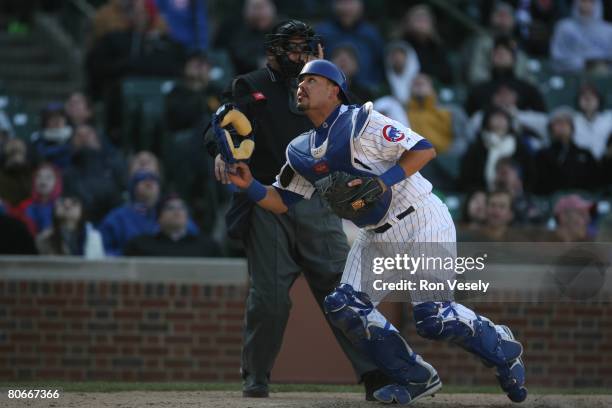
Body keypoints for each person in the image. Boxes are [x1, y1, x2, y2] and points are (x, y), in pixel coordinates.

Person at [221, 59, 527, 404]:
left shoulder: (362, 122)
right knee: (343, 305)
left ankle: (500, 345)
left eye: (311, 80)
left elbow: (424, 149)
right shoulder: (300, 149)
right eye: (299, 82)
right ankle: (413, 376)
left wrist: (382, 182)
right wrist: (249, 186)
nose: (300, 86)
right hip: (375, 236)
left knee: (433, 319)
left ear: (334, 89)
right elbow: (282, 200)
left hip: (421, 218)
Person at [210, 20, 386, 399]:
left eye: (305, 49)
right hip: (267, 200)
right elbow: (220, 125)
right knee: (270, 298)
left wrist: (326, 75)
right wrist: (220, 153)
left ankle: (375, 374)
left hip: (318, 200)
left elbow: (353, 124)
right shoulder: (250, 85)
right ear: (272, 51)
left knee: (342, 291)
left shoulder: (325, 86)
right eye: (290, 48)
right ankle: (256, 374)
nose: (298, 56)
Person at [124, 194, 220, 257]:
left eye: (182, 208)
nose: (177, 211)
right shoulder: (140, 245)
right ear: (159, 218)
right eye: (170, 208)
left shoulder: (207, 246)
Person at [316, 0, 385, 87]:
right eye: (342, 2)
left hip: (367, 92)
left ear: (361, 5)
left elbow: (381, 67)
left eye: (350, 2)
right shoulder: (322, 32)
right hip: (328, 90)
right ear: (333, 4)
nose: (347, 8)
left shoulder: (371, 34)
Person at [550, 0, 612, 74]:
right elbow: (557, 56)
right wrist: (585, 64)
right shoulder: (564, 27)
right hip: (570, 74)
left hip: (601, 76)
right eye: (583, 1)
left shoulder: (608, 31)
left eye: (590, 2)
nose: (586, 5)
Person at [35, 195, 105, 258]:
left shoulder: (92, 237)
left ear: (82, 210)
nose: (67, 206)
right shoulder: (45, 238)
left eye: (74, 202)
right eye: (62, 202)